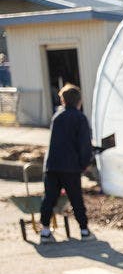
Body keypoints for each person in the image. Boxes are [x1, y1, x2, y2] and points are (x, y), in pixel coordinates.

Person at [39, 84, 93, 243]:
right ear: (79, 101)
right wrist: (85, 163)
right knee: (76, 198)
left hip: (53, 165)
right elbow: (84, 144)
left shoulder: (57, 117)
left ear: (63, 100)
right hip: (70, 167)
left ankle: (45, 231)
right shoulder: (79, 118)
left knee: (49, 198)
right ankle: (83, 230)